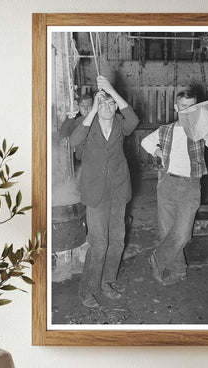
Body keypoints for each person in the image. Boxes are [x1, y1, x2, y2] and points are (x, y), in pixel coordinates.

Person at [141, 90, 208, 286]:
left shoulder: (200, 129)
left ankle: (157, 259)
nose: (188, 110)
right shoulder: (166, 129)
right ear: (176, 108)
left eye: (192, 107)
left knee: (183, 233)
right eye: (183, 107)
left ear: (196, 108)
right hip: (167, 183)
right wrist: (160, 152)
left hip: (191, 185)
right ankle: (179, 270)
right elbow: (145, 142)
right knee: (167, 231)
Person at [69, 76, 139, 308]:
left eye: (111, 104)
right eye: (103, 104)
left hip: (118, 190)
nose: (108, 108)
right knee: (99, 243)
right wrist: (94, 109)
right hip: (95, 193)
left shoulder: (120, 122)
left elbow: (133, 118)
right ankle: (87, 289)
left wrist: (111, 91)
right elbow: (73, 141)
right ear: (98, 108)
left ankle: (108, 281)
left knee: (117, 241)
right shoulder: (88, 127)